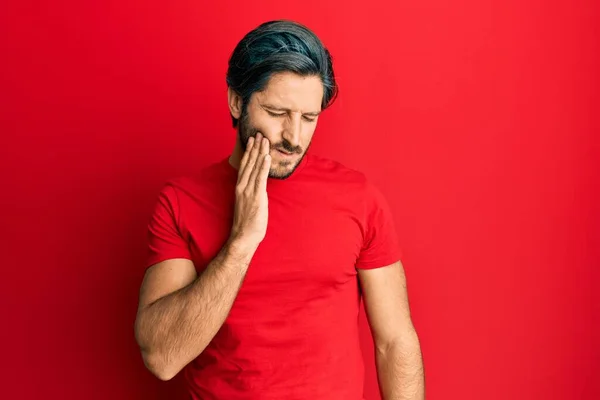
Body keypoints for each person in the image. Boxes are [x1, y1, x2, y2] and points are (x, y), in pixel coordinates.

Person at [134, 19, 425, 400]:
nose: (294, 137)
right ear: (237, 102)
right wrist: (242, 240)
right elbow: (162, 357)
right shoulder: (180, 202)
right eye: (276, 113)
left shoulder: (358, 197)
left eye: (308, 118)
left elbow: (394, 341)